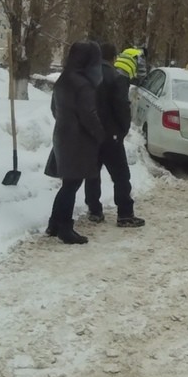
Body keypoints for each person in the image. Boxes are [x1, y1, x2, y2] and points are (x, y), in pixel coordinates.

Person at [46, 40, 106, 244]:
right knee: (72, 185)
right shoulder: (84, 85)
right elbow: (89, 115)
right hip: (78, 140)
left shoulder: (63, 80)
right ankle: (64, 228)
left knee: (68, 183)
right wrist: (101, 135)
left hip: (62, 136)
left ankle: (54, 223)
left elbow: (54, 109)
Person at [85, 42, 145, 228]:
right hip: (111, 136)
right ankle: (125, 214)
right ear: (114, 58)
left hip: (91, 134)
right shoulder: (116, 78)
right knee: (120, 175)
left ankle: (94, 210)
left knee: (92, 173)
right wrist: (121, 131)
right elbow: (122, 108)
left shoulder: (87, 76)